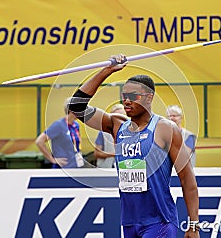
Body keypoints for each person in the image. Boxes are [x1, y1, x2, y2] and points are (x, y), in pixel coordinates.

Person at [68, 54, 199, 237]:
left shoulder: (165, 129)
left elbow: (187, 179)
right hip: (130, 222)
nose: (127, 101)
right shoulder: (117, 125)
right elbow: (76, 105)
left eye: (133, 96)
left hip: (159, 221)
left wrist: (194, 225)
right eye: (124, 96)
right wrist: (107, 71)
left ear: (149, 97)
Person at [35, 97, 84, 168]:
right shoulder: (58, 125)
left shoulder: (76, 125)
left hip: (76, 166)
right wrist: (52, 159)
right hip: (63, 168)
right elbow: (39, 141)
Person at [94, 103, 126, 168]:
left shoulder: (133, 132)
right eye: (117, 116)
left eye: (123, 116)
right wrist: (113, 154)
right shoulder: (103, 133)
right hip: (108, 168)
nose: (120, 119)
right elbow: (97, 153)